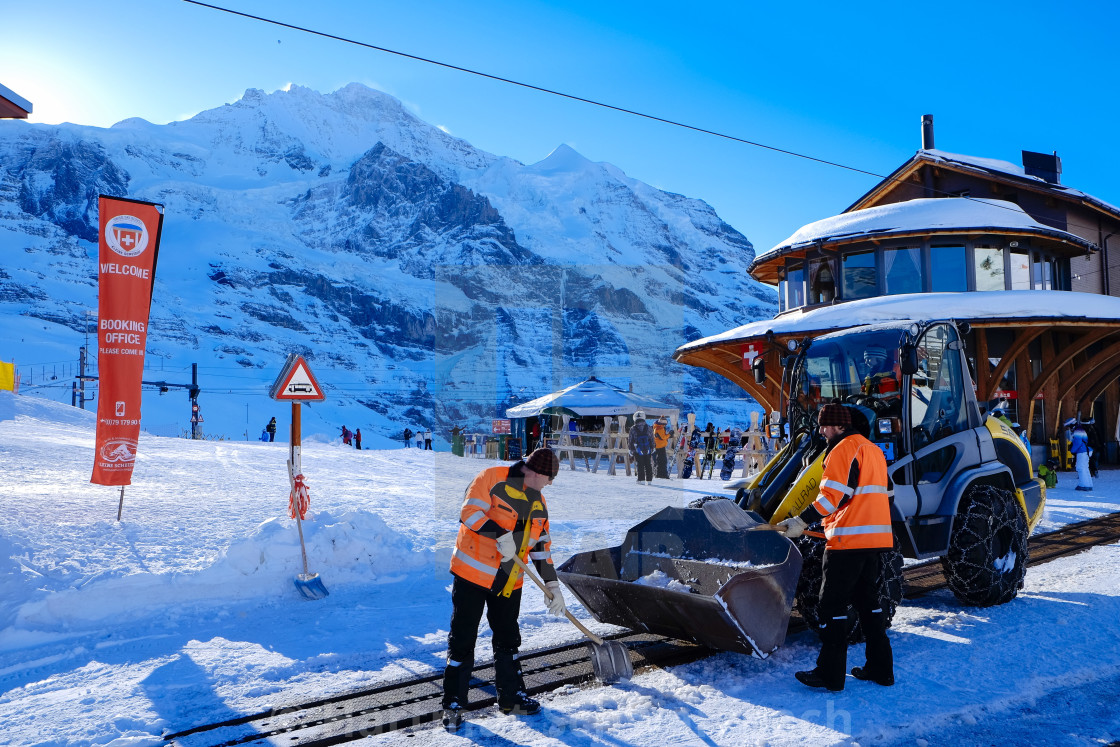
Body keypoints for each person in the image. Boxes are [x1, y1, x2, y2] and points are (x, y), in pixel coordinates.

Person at [441, 448, 563, 732]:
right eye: (548, 479)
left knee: (508, 639)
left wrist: (553, 585)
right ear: (535, 472)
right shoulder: (492, 478)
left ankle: (511, 698)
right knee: (462, 637)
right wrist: (500, 534)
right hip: (472, 575)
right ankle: (454, 704)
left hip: (509, 581)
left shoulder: (539, 505)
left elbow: (541, 549)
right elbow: (469, 512)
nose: (549, 485)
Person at [777, 402, 894, 692]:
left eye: (825, 425)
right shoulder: (873, 450)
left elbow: (833, 498)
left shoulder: (842, 449)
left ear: (840, 426)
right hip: (875, 541)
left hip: (847, 542)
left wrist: (802, 521)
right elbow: (884, 494)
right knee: (870, 605)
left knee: (831, 607)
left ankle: (830, 675)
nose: (821, 430)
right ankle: (881, 669)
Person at [628, 412, 656, 485]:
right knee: (648, 464)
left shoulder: (633, 428)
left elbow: (630, 440)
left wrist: (630, 449)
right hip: (648, 449)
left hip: (637, 449)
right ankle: (649, 480)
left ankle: (641, 479)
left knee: (640, 464)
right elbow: (652, 439)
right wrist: (653, 447)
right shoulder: (648, 427)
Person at [1070, 421, 1092, 491]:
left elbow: (1077, 443)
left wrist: (1072, 450)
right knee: (1085, 468)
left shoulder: (1077, 431)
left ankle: (1083, 485)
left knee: (1080, 468)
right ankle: (1089, 484)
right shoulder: (1081, 429)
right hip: (1086, 451)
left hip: (1081, 451)